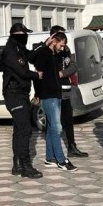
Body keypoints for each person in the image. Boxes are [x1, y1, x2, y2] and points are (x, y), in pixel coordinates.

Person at [1, 22, 43, 179]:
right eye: (25, 34)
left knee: (19, 130)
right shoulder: (10, 51)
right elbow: (23, 71)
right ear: (18, 35)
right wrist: (36, 75)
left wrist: (44, 45)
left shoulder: (18, 48)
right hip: (14, 94)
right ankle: (26, 166)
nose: (27, 37)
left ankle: (17, 165)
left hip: (21, 94)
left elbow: (30, 56)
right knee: (25, 130)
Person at [31, 31, 77, 171]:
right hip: (48, 95)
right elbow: (37, 75)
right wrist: (38, 94)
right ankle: (61, 160)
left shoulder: (55, 55)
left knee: (52, 127)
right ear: (53, 41)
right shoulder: (43, 54)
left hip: (57, 94)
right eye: (61, 45)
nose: (62, 48)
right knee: (57, 128)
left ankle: (50, 158)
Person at [50, 25, 89, 159]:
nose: (63, 42)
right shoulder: (48, 51)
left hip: (66, 89)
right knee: (55, 123)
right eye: (60, 37)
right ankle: (54, 151)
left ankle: (72, 146)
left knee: (68, 119)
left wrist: (62, 73)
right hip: (53, 91)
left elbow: (73, 66)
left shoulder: (66, 50)